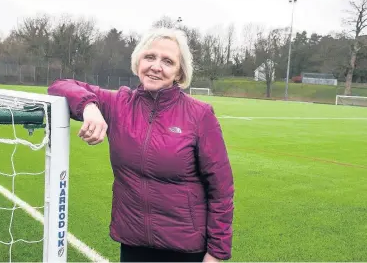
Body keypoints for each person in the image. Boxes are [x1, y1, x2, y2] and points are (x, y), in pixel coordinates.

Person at [48, 27, 234, 262]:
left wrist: (216, 253)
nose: (156, 66)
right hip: (134, 245)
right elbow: (59, 85)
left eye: (168, 61)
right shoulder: (118, 104)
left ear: (179, 72)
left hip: (185, 251)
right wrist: (89, 106)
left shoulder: (200, 115)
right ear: (138, 62)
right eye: (150, 57)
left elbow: (221, 190)